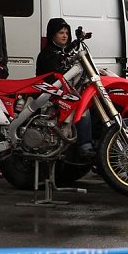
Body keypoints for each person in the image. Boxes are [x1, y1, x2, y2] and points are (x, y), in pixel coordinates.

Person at [36, 17, 95, 158]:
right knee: (83, 110)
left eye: (67, 33)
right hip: (50, 96)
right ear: (52, 34)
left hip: (61, 94)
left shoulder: (62, 52)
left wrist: (77, 41)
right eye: (61, 33)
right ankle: (84, 146)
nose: (64, 36)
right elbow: (57, 75)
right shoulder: (48, 54)